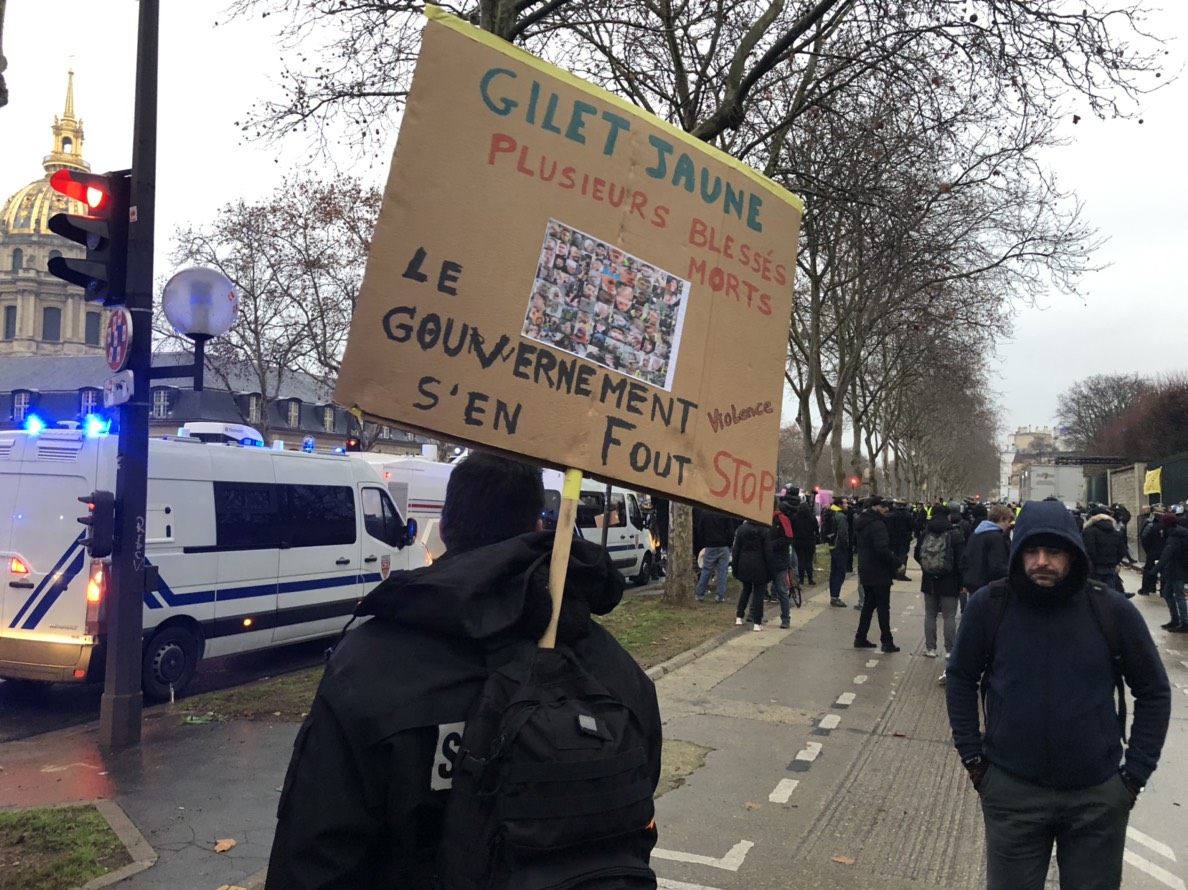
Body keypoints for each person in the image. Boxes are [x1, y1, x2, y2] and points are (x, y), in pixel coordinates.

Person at [265, 453, 663, 889]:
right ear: (535, 527)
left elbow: (313, 850)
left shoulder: (370, 664)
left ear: (446, 526)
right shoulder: (614, 669)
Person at [946, 499, 1171, 890]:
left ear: (1073, 554)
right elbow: (961, 678)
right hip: (1012, 791)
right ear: (1017, 553)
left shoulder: (1111, 609)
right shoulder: (990, 605)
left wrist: (1134, 775)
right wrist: (974, 759)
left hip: (1096, 797)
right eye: (1031, 551)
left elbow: (1153, 691)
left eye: (1053, 551)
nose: (1041, 562)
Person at [853, 497, 905, 652]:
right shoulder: (878, 524)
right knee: (883, 607)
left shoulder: (862, 522)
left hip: (865, 567)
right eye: (884, 507)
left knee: (869, 605)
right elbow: (881, 548)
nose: (887, 509)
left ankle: (860, 637)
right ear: (875, 507)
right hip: (879, 570)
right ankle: (886, 641)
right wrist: (897, 563)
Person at [914, 506, 965, 663]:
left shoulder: (925, 534)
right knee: (949, 616)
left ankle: (930, 648)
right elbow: (961, 560)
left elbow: (917, 554)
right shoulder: (955, 535)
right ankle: (950, 650)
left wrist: (927, 568)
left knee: (930, 615)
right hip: (950, 581)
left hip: (929, 581)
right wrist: (962, 581)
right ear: (948, 516)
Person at [958, 504, 1013, 613]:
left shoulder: (976, 534)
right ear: (1001, 519)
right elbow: (997, 566)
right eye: (1007, 521)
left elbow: (965, 558)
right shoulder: (996, 537)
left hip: (973, 584)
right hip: (989, 587)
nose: (1008, 525)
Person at [732, 517, 774, 631]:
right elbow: (768, 552)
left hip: (744, 563)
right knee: (759, 593)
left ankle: (739, 616)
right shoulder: (765, 531)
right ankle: (757, 622)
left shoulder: (741, 529)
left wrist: (735, 567)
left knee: (746, 590)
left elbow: (736, 550)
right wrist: (771, 570)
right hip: (760, 564)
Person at [694, 508, 738, 603]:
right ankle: (720, 596)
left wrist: (704, 544)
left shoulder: (705, 513)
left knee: (706, 570)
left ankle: (699, 594)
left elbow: (700, 530)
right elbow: (731, 531)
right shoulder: (725, 513)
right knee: (722, 572)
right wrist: (729, 543)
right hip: (723, 545)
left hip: (710, 544)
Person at [1082, 505, 1129, 593]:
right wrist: (1114, 561)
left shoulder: (1089, 531)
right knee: (1109, 593)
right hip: (1111, 566)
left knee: (1095, 594)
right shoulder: (1116, 532)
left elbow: (1088, 550)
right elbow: (1122, 550)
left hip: (1095, 568)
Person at [1154, 512, 1188, 632]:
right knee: (1168, 593)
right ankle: (1176, 619)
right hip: (1176, 568)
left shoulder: (1174, 537)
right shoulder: (1180, 532)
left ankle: (1184, 622)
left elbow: (1167, 554)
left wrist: (1155, 570)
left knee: (1179, 595)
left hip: (1176, 569)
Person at [823, 497, 850, 608]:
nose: (847, 505)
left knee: (834, 571)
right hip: (839, 547)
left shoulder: (830, 513)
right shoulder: (841, 516)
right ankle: (835, 596)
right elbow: (843, 534)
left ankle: (833, 595)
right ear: (839, 504)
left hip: (831, 545)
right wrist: (846, 545)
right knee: (840, 572)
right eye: (845, 503)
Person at [790, 499, 820, 586]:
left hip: (798, 541)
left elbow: (792, 528)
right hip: (809, 541)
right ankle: (810, 579)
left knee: (800, 560)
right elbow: (816, 528)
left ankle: (801, 580)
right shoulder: (811, 517)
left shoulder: (795, 517)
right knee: (808, 560)